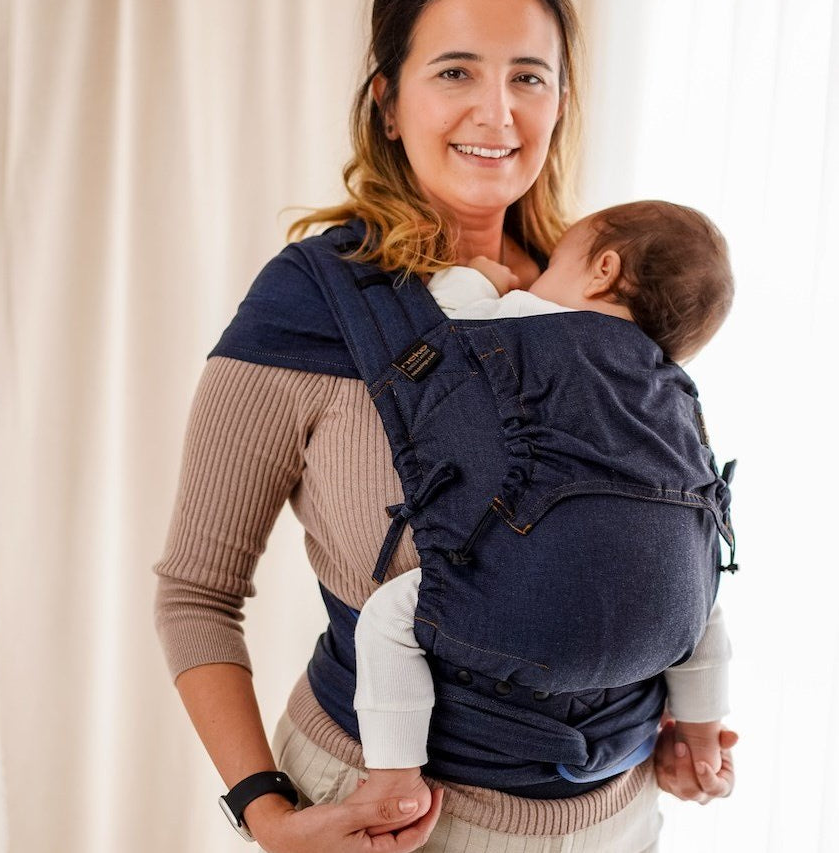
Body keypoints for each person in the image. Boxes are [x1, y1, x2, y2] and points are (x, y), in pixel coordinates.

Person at [152, 1, 738, 851]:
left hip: (617, 818)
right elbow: (195, 593)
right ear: (388, 102)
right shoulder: (315, 304)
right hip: (388, 821)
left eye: (527, 77)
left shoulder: (619, 314)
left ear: (561, 101)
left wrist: (685, 723)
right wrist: (266, 812)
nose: (496, 111)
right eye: (455, 70)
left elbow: (652, 532)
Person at [350, 199, 736, 822]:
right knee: (703, 596)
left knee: (390, 616)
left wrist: (481, 278)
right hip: (668, 624)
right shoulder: (669, 388)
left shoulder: (527, 318)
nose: (533, 278)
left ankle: (393, 778)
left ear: (602, 270)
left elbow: (441, 325)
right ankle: (701, 737)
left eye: (554, 262)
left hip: (531, 612)